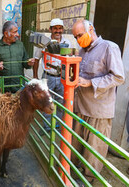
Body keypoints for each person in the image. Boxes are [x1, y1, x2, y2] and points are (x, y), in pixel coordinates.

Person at [71, 19, 125, 183]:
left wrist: (91, 82)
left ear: (91, 29)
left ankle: (87, 179)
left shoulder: (109, 47)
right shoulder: (82, 51)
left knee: (94, 150)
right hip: (80, 107)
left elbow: (119, 77)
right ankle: (72, 172)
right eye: (76, 37)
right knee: (76, 144)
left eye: (80, 35)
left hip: (99, 110)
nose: (79, 39)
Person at [33, 18, 72, 134]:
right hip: (48, 76)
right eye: (55, 28)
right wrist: (35, 77)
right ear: (50, 29)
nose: (58, 31)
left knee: (60, 103)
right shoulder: (43, 43)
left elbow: (70, 60)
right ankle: (47, 127)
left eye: (60, 28)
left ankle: (57, 126)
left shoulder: (67, 43)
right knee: (47, 101)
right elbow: (36, 59)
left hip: (62, 77)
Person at [0, 21, 35, 93]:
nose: (17, 35)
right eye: (15, 32)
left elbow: (25, 62)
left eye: (17, 32)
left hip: (18, 87)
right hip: (2, 88)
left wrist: (29, 63)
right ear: (6, 34)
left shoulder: (20, 45)